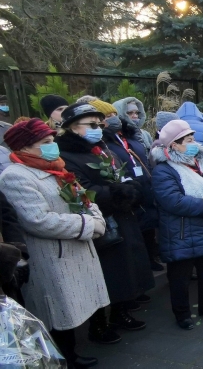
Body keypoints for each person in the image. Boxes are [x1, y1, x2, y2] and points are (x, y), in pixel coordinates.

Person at [0, 118, 109, 368]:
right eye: (46, 142)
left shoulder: (57, 167)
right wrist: (87, 225)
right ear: (25, 147)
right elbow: (38, 220)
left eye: (52, 141)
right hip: (53, 255)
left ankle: (75, 350)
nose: (53, 146)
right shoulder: (15, 176)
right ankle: (65, 358)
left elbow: (85, 200)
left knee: (75, 304)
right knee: (58, 310)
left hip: (76, 249)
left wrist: (96, 217)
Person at [55, 103, 155, 344]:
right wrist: (118, 192)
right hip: (101, 221)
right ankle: (99, 326)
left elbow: (117, 174)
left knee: (125, 267)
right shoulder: (66, 156)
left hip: (121, 216)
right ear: (72, 128)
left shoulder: (99, 149)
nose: (98, 129)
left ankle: (121, 312)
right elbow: (82, 191)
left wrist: (129, 187)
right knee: (106, 274)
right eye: (91, 125)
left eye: (99, 125)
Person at [150, 119, 203, 330]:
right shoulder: (164, 170)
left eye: (193, 138)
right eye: (187, 139)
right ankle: (182, 314)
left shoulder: (199, 164)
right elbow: (173, 201)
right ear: (173, 144)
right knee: (180, 277)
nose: (194, 143)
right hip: (181, 232)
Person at [95, 99, 163, 273]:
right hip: (127, 189)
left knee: (148, 225)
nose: (113, 119)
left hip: (144, 186)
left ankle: (150, 257)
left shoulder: (129, 136)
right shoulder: (104, 142)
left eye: (114, 115)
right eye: (107, 116)